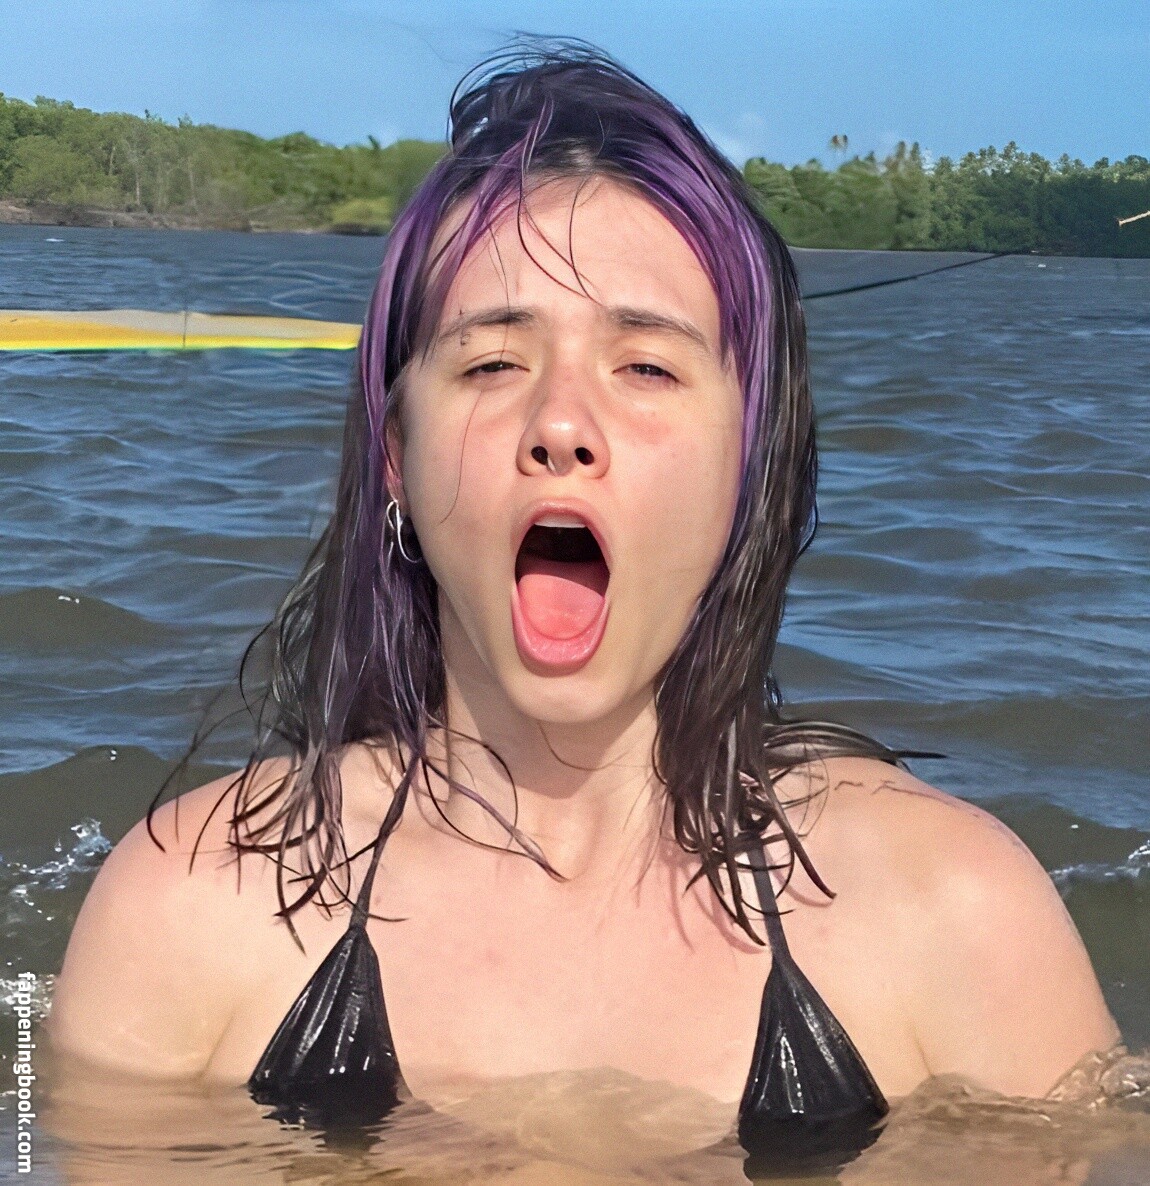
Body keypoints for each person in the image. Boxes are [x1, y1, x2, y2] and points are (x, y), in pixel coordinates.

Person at [46, 42, 1118, 1173]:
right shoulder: (191, 907)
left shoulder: (954, 915)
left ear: (749, 465)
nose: (561, 423)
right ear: (397, 456)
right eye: (491, 364)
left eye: (646, 366)